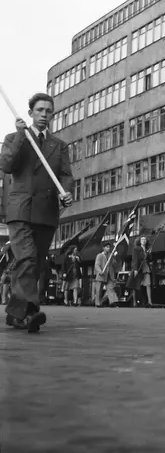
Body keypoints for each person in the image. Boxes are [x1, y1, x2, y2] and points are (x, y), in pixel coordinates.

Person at [0, 92, 74, 332]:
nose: (44, 114)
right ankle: (30, 311)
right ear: (30, 113)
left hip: (46, 211)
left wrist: (67, 191)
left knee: (36, 263)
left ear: (52, 115)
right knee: (27, 258)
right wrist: (21, 135)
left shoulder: (59, 146)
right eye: (40, 110)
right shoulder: (14, 138)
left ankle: (16, 314)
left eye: (48, 111)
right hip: (21, 209)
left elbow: (65, 175)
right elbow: (6, 164)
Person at [128, 236, 153, 308]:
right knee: (135, 285)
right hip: (138, 268)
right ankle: (134, 302)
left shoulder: (147, 249)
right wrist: (135, 269)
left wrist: (149, 254)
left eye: (145, 239)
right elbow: (134, 259)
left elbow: (150, 259)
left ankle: (150, 302)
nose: (144, 240)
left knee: (148, 284)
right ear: (139, 241)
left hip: (146, 268)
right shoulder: (136, 249)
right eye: (142, 239)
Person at [94, 242, 119, 307]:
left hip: (109, 275)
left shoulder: (111, 255)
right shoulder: (99, 255)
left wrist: (114, 259)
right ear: (103, 248)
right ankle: (98, 303)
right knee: (99, 290)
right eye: (107, 247)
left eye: (109, 247)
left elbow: (114, 265)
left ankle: (113, 302)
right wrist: (100, 271)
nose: (109, 248)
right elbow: (97, 265)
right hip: (102, 274)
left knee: (110, 288)